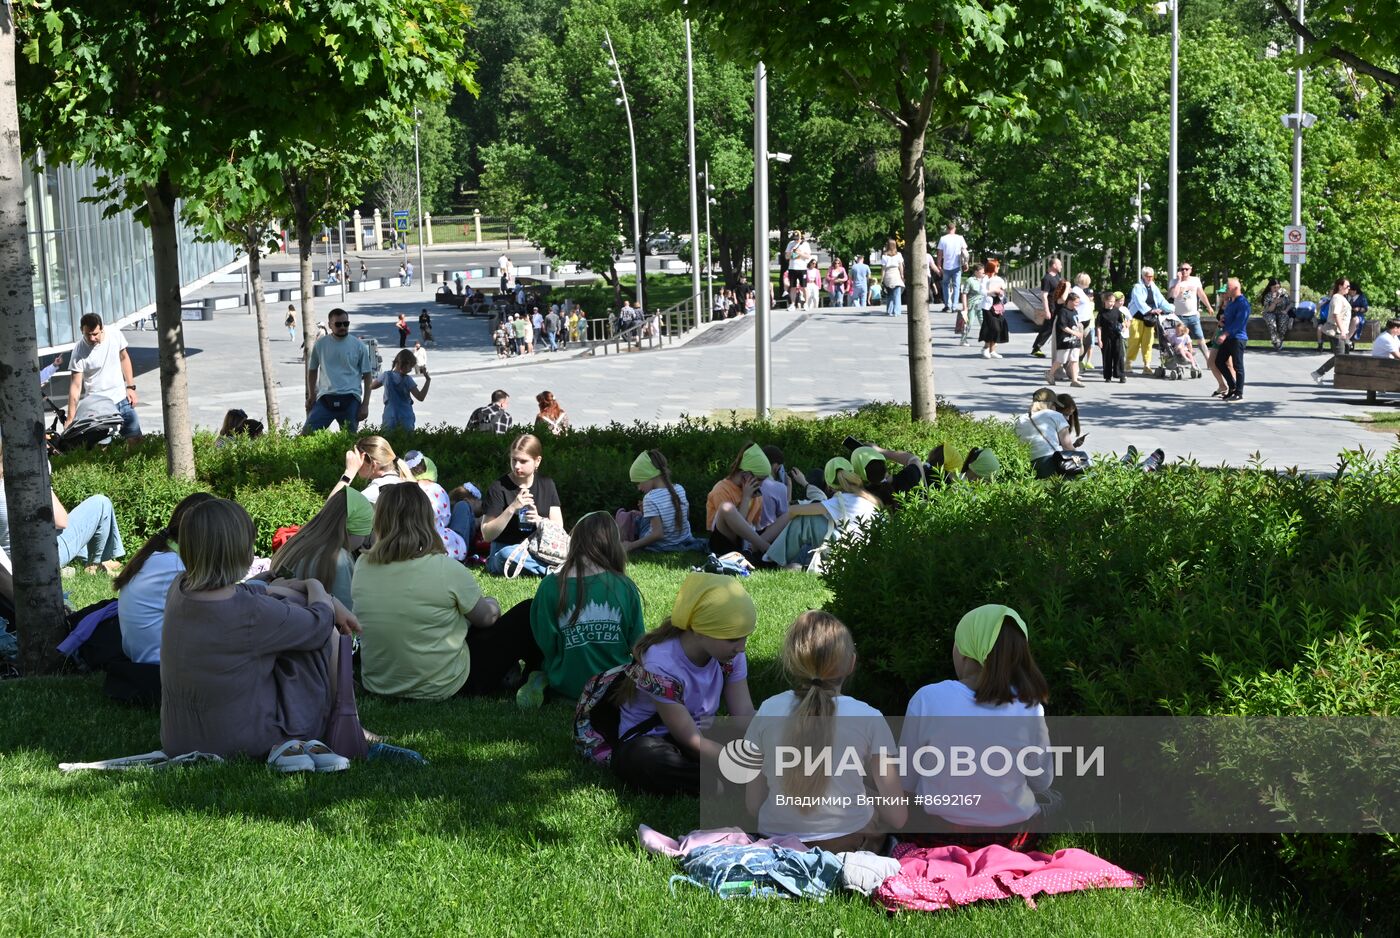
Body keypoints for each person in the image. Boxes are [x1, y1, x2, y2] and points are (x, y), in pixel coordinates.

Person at [160, 498, 361, 767]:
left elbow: (245, 591)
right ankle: (328, 724)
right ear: (239, 549)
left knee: (288, 601)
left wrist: (284, 588)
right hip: (242, 741)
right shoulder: (251, 613)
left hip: (178, 739)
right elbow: (319, 624)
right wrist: (315, 586)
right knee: (307, 642)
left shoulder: (179, 588)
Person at [354, 483, 538, 700]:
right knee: (527, 612)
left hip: (380, 682)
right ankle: (534, 677)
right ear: (426, 519)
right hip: (444, 685)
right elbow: (486, 619)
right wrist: (492, 603)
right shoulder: (445, 568)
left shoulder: (363, 565)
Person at [745, 611, 904, 850]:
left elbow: (753, 805)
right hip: (846, 843)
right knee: (875, 817)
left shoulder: (768, 709)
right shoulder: (869, 717)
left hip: (776, 841)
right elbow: (898, 817)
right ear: (851, 663)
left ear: (792, 662)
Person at [899, 605, 1054, 838]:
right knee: (1053, 799)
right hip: (1013, 838)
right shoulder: (1030, 706)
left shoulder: (927, 699)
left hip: (939, 835)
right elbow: (1042, 781)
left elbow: (906, 780)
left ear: (964, 651)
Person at [611, 572, 756, 795]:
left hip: (700, 734)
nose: (742, 647)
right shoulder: (661, 663)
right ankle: (711, 783)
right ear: (699, 631)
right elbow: (688, 737)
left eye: (745, 637)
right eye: (733, 639)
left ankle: (715, 778)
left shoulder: (731, 656)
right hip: (656, 740)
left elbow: (744, 712)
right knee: (647, 760)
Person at [521, 512, 644, 706]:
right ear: (614, 544)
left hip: (566, 686)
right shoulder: (625, 586)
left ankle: (541, 679)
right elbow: (637, 643)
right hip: (613, 687)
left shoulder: (550, 585)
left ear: (574, 541)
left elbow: (546, 642)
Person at [113, 492, 216, 666]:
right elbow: (218, 615)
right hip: (162, 667)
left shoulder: (160, 558)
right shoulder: (177, 568)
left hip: (145, 659)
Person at [0, 439, 125, 575]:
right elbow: (62, 522)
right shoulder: (26, 483)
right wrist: (43, 480)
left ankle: (101, 558)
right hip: (40, 561)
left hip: (7, 564)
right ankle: (95, 563)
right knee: (101, 503)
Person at [760, 457, 882, 570]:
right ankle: (771, 557)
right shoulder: (866, 499)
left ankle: (772, 561)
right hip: (868, 553)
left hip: (850, 552)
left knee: (804, 520)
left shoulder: (841, 500)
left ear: (828, 484)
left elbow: (794, 510)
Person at [270, 487, 373, 612]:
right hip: (316, 628)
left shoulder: (296, 542)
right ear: (354, 530)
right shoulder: (338, 558)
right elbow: (348, 613)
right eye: (366, 533)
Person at [481, 434, 564, 576]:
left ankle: (544, 566)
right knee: (504, 556)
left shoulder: (547, 484)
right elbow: (487, 534)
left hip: (539, 549)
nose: (517, 466)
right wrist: (512, 508)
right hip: (505, 548)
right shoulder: (499, 488)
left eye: (523, 461)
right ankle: (552, 571)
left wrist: (538, 520)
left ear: (537, 461)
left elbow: (558, 527)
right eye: (514, 460)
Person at [65, 313, 142, 443]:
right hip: (97, 406)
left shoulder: (114, 334)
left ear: (102, 328)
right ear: (81, 331)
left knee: (136, 439)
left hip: (121, 398)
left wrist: (130, 387)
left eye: (95, 334)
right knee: (102, 447)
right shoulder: (79, 351)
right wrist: (70, 418)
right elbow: (75, 386)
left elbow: (124, 358)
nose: (92, 338)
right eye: (87, 334)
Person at [303, 308, 374, 434]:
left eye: (346, 324)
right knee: (307, 435)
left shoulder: (359, 346)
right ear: (330, 325)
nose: (343, 327)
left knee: (349, 440)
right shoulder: (320, 345)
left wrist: (365, 404)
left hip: (351, 398)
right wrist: (312, 395)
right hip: (325, 398)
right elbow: (312, 370)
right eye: (338, 324)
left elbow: (368, 375)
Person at [621, 450, 702, 553]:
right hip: (684, 539)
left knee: (632, 518)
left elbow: (657, 534)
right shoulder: (679, 489)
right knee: (642, 517)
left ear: (649, 476)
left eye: (639, 482)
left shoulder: (650, 498)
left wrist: (631, 546)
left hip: (662, 545)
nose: (639, 488)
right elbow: (685, 516)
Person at [706, 443, 774, 558]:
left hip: (748, 542)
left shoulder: (756, 492)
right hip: (725, 542)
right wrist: (746, 498)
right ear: (745, 475)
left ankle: (757, 549)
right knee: (726, 507)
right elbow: (736, 531)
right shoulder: (721, 490)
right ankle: (766, 548)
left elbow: (756, 525)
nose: (762, 484)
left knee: (790, 513)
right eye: (760, 479)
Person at [1016, 388, 1079, 478]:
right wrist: (1080, 461)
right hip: (1050, 462)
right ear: (1050, 404)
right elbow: (1067, 446)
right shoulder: (1055, 415)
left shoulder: (1020, 419)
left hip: (1029, 463)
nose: (1055, 408)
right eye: (1054, 405)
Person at [334, 435, 414, 505]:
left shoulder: (372, 493)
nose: (355, 463)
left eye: (358, 459)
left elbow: (329, 512)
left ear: (373, 465)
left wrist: (349, 473)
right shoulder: (405, 481)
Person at [1125, 266, 1172, 375]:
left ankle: (1147, 365)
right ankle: (1128, 362)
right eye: (1147, 276)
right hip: (1137, 317)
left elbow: (1161, 300)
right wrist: (1151, 310)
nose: (1149, 278)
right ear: (1143, 276)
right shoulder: (1137, 287)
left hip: (1150, 319)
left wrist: (1170, 308)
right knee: (1134, 341)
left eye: (1151, 276)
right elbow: (1139, 302)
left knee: (1148, 342)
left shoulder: (1154, 287)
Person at [1167, 262, 1214, 365]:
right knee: (1180, 339)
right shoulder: (1174, 281)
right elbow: (1172, 295)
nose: (1184, 271)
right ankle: (1182, 360)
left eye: (1186, 269)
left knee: (1200, 338)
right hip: (1179, 317)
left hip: (1193, 315)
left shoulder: (1195, 280)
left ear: (1191, 270)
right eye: (1182, 269)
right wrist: (1179, 280)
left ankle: (1209, 361)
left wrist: (1209, 306)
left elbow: (1201, 294)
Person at [371, 350, 430, 432]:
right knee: (406, 441)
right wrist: (428, 380)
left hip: (389, 417)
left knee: (388, 441)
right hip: (406, 417)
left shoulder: (386, 376)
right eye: (410, 367)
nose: (410, 370)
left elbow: (371, 386)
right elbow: (420, 397)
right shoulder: (408, 380)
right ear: (405, 364)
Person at [1217, 277, 1250, 402]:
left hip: (1238, 338)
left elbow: (1239, 324)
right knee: (1219, 361)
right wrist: (1222, 322)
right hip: (1228, 337)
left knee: (1238, 365)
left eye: (1228, 288)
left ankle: (1239, 392)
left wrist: (1225, 334)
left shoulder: (1243, 303)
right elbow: (1228, 318)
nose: (1227, 290)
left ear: (1236, 289)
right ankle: (1232, 387)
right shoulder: (1231, 302)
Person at [1045, 287, 1086, 388]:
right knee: (1061, 360)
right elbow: (1063, 327)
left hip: (1075, 340)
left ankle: (1074, 380)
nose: (1077, 304)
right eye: (1076, 302)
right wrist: (1075, 333)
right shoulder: (1063, 312)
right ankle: (1050, 373)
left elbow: (1076, 323)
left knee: (1074, 360)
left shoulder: (1075, 312)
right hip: (1065, 340)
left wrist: (1079, 334)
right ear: (1070, 301)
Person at [1029, 257, 1062, 358]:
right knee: (1047, 328)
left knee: (1057, 327)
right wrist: (1046, 310)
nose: (1061, 266)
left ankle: (1059, 347)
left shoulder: (1057, 276)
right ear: (1054, 265)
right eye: (1059, 264)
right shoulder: (1047, 278)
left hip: (1059, 306)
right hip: (1051, 307)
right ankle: (1036, 348)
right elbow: (1044, 295)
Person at [976, 259, 1009, 358]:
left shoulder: (999, 279)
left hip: (997, 305)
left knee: (998, 327)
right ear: (992, 267)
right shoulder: (985, 278)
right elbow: (982, 291)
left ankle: (992, 350)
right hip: (988, 306)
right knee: (991, 327)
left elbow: (1003, 293)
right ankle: (986, 348)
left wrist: (1000, 293)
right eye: (997, 266)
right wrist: (993, 291)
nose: (998, 268)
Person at [936, 222, 969, 314]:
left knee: (945, 285)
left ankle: (947, 306)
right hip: (957, 266)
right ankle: (954, 306)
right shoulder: (960, 238)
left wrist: (938, 264)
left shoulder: (943, 239)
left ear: (947, 229)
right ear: (955, 229)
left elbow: (940, 254)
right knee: (956, 286)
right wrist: (966, 263)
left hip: (946, 266)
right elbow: (965, 252)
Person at [1096, 291, 1127, 384]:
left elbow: (1122, 322)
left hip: (1117, 337)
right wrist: (1099, 340)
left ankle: (1120, 375)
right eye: (1110, 301)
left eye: (1113, 301)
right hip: (1106, 337)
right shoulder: (1101, 313)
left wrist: (1123, 328)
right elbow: (1098, 328)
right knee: (1107, 357)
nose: (1112, 303)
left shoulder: (1117, 311)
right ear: (1105, 301)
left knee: (1119, 356)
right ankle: (1108, 376)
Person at [1070, 273, 1096, 371]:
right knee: (1079, 344)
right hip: (1079, 321)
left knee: (1088, 342)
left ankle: (1078, 361)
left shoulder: (1081, 291)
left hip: (1086, 321)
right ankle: (1073, 364)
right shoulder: (1076, 291)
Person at [1259, 278, 1293, 351]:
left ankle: (1280, 340)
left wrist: (1286, 311)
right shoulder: (1268, 296)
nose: (1276, 289)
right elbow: (1269, 309)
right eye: (1274, 287)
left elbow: (1290, 304)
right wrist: (1275, 302)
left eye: (1278, 287)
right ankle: (1275, 340)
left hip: (1281, 312)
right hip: (1269, 312)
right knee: (1271, 321)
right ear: (1270, 287)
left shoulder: (1284, 292)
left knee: (1284, 320)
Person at [784, 230, 812, 308]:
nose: (796, 240)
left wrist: (800, 253)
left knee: (804, 286)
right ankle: (792, 304)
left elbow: (808, 256)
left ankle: (806, 303)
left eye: (797, 238)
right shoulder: (790, 244)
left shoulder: (805, 244)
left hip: (802, 268)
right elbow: (787, 256)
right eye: (794, 238)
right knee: (792, 287)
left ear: (800, 237)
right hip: (792, 267)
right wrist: (792, 252)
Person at [960, 262, 985, 346]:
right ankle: (963, 339)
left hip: (982, 305)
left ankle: (987, 340)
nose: (983, 274)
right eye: (982, 272)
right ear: (976, 272)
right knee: (969, 323)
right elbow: (964, 293)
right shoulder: (970, 280)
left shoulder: (984, 280)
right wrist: (965, 307)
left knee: (984, 323)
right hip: (972, 306)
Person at [879, 239, 905, 316]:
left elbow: (883, 269)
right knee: (897, 294)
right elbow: (901, 266)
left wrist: (882, 278)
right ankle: (897, 311)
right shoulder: (899, 255)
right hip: (896, 274)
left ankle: (889, 311)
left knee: (889, 294)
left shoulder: (884, 256)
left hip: (888, 275)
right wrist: (902, 275)